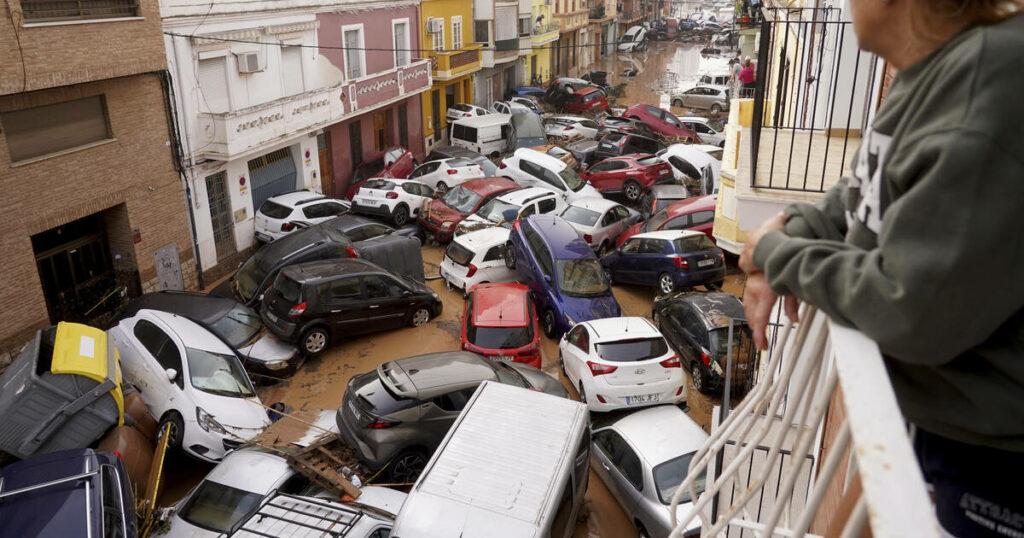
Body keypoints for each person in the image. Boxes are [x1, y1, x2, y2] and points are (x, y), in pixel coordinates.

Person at [738, 0, 1024, 535]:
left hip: (995, 466)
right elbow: (853, 201)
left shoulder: (989, 85)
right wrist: (778, 243)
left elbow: (911, 310)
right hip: (943, 424)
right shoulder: (932, 73)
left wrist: (773, 255)